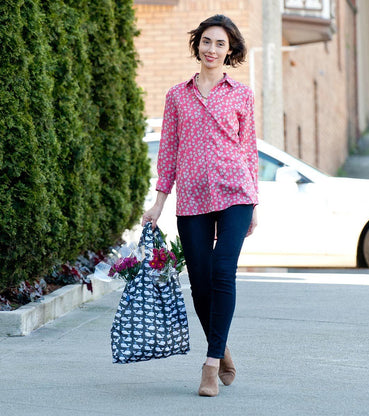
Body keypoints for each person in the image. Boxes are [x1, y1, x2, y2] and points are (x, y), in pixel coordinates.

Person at [142, 14, 258, 397]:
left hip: (235, 193)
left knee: (223, 271)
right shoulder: (177, 95)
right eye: (206, 41)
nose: (212, 49)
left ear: (231, 51)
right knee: (200, 283)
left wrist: (254, 202)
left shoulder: (241, 95)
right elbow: (169, 152)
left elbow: (248, 149)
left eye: (220, 44)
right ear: (198, 45)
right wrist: (158, 202)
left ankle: (209, 366)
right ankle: (220, 345)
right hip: (191, 197)